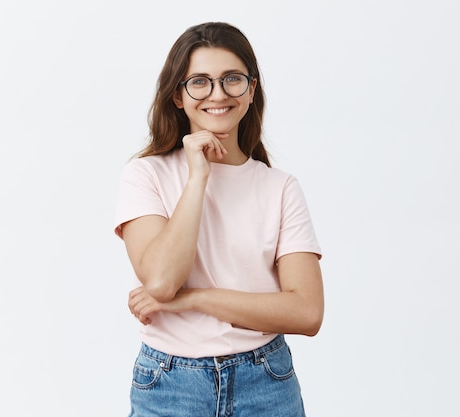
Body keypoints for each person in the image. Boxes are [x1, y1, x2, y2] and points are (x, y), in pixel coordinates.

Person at [113, 21, 324, 417]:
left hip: (266, 381)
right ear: (178, 95)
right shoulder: (146, 175)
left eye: (232, 79)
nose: (218, 94)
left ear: (251, 90)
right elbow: (160, 281)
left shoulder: (280, 187)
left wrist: (197, 300)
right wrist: (198, 178)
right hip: (170, 383)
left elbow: (307, 312)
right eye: (199, 82)